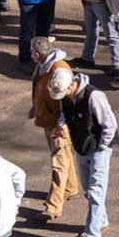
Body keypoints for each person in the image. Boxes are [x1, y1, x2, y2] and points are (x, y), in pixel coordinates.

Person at [48, 67, 118, 237]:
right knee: (88, 189)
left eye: (64, 92)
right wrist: (60, 125)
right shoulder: (65, 97)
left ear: (72, 84)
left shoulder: (94, 96)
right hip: (81, 147)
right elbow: (64, 115)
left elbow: (109, 125)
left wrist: (102, 147)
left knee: (95, 192)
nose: (62, 96)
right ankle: (100, 222)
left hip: (97, 150)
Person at [26, 36, 79, 223]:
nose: (31, 56)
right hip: (49, 119)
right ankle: (70, 188)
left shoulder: (60, 72)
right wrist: (36, 108)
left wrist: (61, 125)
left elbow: (67, 103)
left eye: (32, 53)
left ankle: (53, 206)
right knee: (64, 157)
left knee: (59, 163)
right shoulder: (44, 66)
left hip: (58, 125)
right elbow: (39, 88)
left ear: (37, 54)